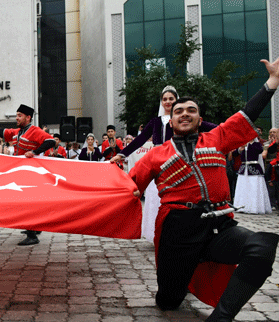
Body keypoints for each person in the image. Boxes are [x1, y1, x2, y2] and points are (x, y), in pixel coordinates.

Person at [128, 56, 279, 321]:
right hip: (178, 232)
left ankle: (221, 317)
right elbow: (127, 188)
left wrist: (273, 81)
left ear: (199, 119)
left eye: (191, 110)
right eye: (178, 111)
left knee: (262, 246)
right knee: (169, 302)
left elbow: (246, 114)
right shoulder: (155, 155)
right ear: (170, 121)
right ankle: (181, 281)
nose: (184, 113)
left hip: (218, 226)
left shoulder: (218, 137)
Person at [111, 86, 217, 242]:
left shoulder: (184, 118)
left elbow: (213, 128)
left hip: (178, 163)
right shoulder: (155, 122)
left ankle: (179, 232)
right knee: (155, 199)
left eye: (171, 99)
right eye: (165, 99)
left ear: (176, 100)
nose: (168, 102)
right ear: (161, 102)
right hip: (158, 163)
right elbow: (140, 140)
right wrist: (122, 154)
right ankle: (157, 234)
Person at [0, 104, 55, 245]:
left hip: (30, 172)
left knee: (26, 202)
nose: (17, 118)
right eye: (16, 115)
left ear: (28, 117)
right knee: (29, 201)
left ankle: (32, 235)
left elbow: (50, 140)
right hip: (21, 172)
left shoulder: (34, 130)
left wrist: (34, 152)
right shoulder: (18, 131)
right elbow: (4, 132)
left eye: (20, 115)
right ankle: (34, 228)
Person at [232, 139, 272, 214]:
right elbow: (235, 154)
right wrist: (240, 149)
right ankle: (241, 206)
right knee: (243, 187)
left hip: (254, 168)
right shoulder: (242, 143)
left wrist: (249, 145)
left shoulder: (256, 144)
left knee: (254, 187)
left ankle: (255, 207)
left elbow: (259, 150)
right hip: (244, 169)